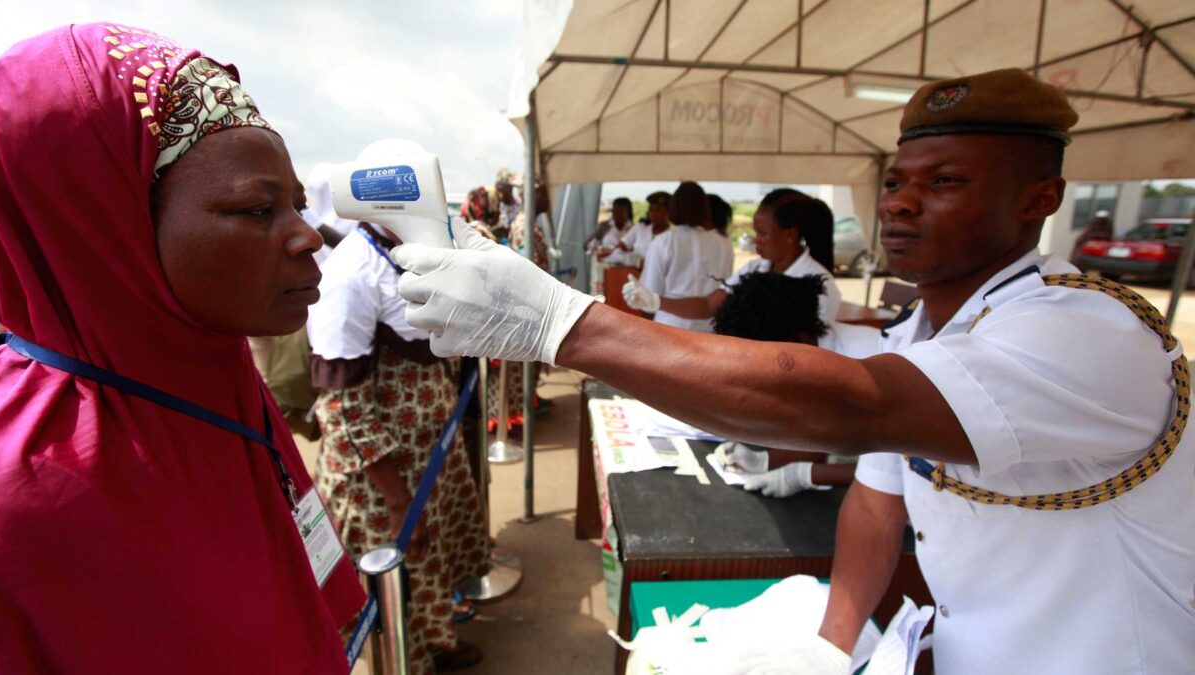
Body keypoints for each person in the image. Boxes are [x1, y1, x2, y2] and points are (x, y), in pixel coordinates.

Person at [392, 68, 1195, 673]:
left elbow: (854, 409)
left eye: (944, 182)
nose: (901, 206)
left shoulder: (1087, 328)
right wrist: (830, 647)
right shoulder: (924, 328)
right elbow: (880, 506)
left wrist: (558, 323)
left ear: (1039, 199)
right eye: (895, 183)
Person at [0, 23, 364, 673]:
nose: (308, 237)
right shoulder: (19, 501)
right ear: (106, 227)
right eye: (258, 209)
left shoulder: (212, 376)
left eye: (300, 206)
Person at [307, 223, 488, 673]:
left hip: (428, 460)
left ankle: (436, 641)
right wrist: (396, 498)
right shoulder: (353, 273)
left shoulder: (401, 251)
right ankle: (407, 660)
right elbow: (343, 408)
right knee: (393, 582)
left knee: (431, 561)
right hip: (383, 479)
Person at [710, 273, 866, 496]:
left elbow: (896, 469)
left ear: (797, 340)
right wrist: (764, 461)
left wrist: (805, 475)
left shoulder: (865, 363)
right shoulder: (810, 351)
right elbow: (824, 436)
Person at [624, 189, 842, 322]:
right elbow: (709, 306)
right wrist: (655, 301)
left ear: (789, 235)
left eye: (763, 234)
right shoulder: (754, 269)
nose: (756, 240)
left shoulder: (819, 284)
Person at [633, 182, 733, 332]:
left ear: (673, 209)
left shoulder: (664, 241)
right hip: (710, 328)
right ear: (705, 209)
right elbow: (725, 288)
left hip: (671, 326)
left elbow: (649, 292)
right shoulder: (724, 244)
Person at [617, 191, 671, 265]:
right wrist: (632, 258)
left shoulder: (673, 238)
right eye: (652, 210)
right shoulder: (640, 228)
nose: (654, 214)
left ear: (669, 213)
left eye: (659, 210)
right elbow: (621, 247)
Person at [589, 196, 634, 262]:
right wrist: (596, 249)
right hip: (604, 266)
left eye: (620, 212)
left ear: (628, 212)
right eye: (614, 211)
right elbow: (588, 245)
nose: (616, 215)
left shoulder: (634, 229)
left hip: (626, 267)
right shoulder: (604, 226)